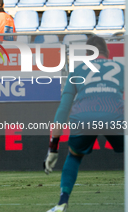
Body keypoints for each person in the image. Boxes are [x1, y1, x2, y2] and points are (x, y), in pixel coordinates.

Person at [44, 36, 124, 212]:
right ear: (107, 53)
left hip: (84, 118)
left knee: (74, 155)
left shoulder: (78, 70)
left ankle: (62, 203)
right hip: (115, 116)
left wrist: (53, 148)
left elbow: (63, 109)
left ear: (88, 54)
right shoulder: (121, 68)